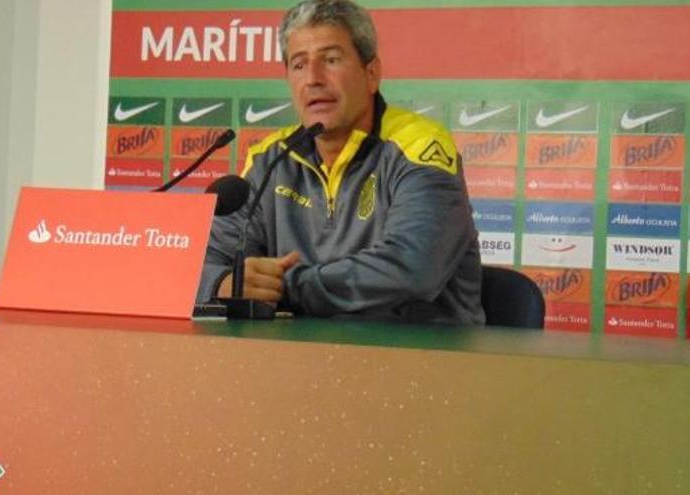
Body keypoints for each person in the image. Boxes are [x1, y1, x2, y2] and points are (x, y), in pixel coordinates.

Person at [197, 0, 484, 325]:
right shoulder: (270, 160)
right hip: (297, 362)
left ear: (371, 73)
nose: (313, 79)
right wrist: (222, 284)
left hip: (420, 361)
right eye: (299, 65)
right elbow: (198, 264)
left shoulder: (419, 147)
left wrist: (282, 287)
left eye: (331, 60)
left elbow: (412, 269)